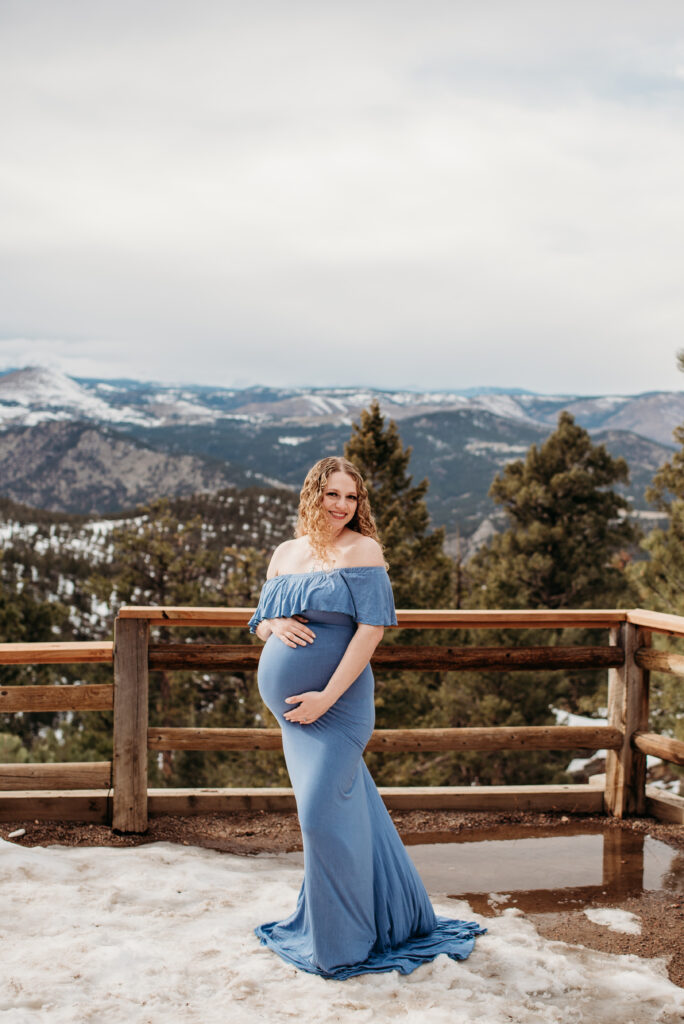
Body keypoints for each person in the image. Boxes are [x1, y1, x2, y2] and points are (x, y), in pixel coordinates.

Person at [248, 455, 485, 979]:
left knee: (318, 817)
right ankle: (376, 919)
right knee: (348, 813)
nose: (341, 506)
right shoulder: (285, 553)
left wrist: (326, 698)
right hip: (295, 718)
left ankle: (344, 944)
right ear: (313, 495)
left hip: (338, 706)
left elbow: (371, 630)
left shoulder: (363, 550)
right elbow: (260, 623)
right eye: (332, 494)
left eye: (351, 497)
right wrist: (277, 622)